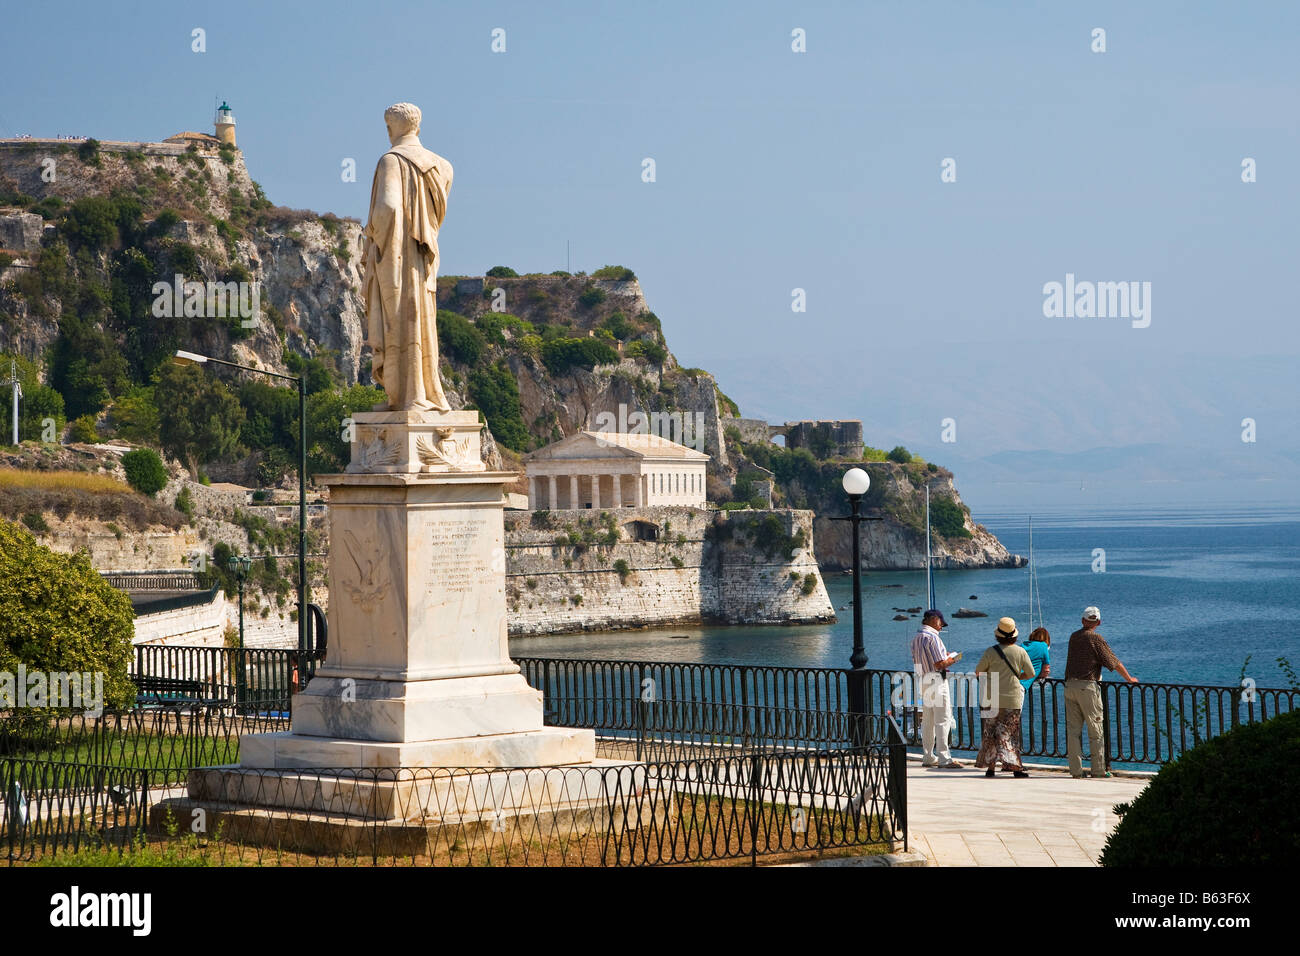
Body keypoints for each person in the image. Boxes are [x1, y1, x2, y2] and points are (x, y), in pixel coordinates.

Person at [1064, 606, 1137, 779]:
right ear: (1098, 622)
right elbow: (1113, 662)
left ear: (1083, 620)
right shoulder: (1096, 638)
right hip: (1088, 687)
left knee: (1073, 731)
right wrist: (1129, 679)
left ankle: (1075, 771)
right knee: (1095, 730)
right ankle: (1098, 770)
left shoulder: (1074, 636)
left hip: (1069, 686)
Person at [974, 617, 1035, 778]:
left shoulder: (990, 651)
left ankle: (990, 767)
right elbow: (1031, 673)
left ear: (998, 635)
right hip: (1011, 698)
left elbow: (978, 671)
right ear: (1014, 635)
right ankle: (1014, 767)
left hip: (991, 698)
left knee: (990, 733)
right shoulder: (1020, 652)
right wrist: (1016, 676)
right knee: (1009, 734)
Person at [910, 609, 963, 768]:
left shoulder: (916, 638)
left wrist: (943, 656)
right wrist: (953, 659)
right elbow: (939, 664)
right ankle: (944, 758)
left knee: (928, 720)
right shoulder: (933, 638)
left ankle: (927, 756)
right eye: (941, 623)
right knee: (943, 719)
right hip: (937, 681)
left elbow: (921, 661)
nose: (941, 627)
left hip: (924, 680)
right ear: (934, 619)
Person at [1021, 627, 1051, 695]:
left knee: (997, 705)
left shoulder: (1022, 645)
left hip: (1001, 682)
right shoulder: (1043, 646)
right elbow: (1045, 671)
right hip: (1019, 684)